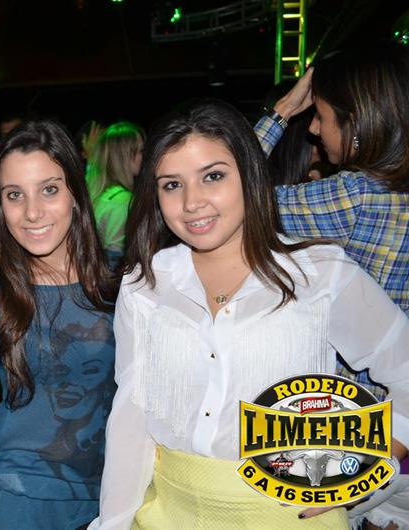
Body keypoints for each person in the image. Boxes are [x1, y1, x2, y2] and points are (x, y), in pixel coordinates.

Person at [90, 99, 409, 529]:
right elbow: (131, 418)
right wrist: (113, 523)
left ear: (249, 175)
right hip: (169, 511)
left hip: (291, 514)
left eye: (213, 176)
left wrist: (371, 464)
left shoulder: (320, 274)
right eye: (172, 185)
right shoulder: (146, 283)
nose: (192, 202)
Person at [0, 120, 117, 530]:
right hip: (16, 501)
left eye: (49, 190)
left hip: (108, 500)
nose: (32, 212)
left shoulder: (123, 284)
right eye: (15, 195)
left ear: (75, 193)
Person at [255, 41, 409, 406]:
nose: (312, 128)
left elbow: (231, 193)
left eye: (320, 116)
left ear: (354, 124)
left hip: (353, 404)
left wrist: (282, 110)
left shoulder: (353, 196)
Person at [85, 122, 145, 260]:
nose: (144, 156)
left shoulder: (96, 191)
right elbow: (114, 258)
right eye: (141, 151)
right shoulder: (123, 201)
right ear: (125, 156)